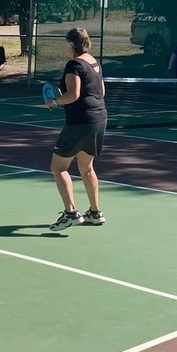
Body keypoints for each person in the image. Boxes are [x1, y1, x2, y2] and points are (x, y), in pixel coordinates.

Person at [43, 27, 107, 230]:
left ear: (71, 44)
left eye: (66, 42)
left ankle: (71, 213)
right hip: (99, 118)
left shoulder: (74, 65)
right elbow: (102, 91)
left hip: (80, 121)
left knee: (58, 167)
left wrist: (54, 100)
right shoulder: (94, 62)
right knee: (87, 167)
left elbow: (74, 94)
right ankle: (95, 213)